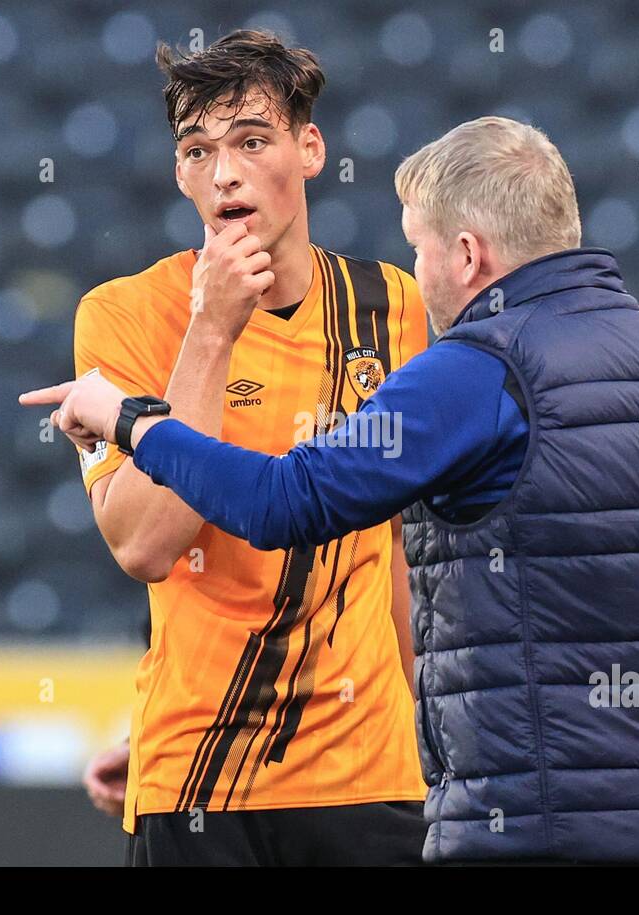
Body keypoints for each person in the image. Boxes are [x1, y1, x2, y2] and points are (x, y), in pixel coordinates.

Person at [25, 116, 639, 866]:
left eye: (420, 247)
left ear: (467, 255)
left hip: (525, 828)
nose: (414, 273)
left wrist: (135, 423)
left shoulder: (475, 373)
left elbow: (283, 503)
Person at [23, 30, 430, 866]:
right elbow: (144, 542)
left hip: (368, 777)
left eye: (252, 140)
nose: (224, 173)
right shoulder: (123, 315)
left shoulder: (393, 307)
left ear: (310, 148)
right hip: (199, 776)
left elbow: (398, 543)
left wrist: (431, 723)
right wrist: (211, 329)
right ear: (179, 173)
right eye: (197, 150)